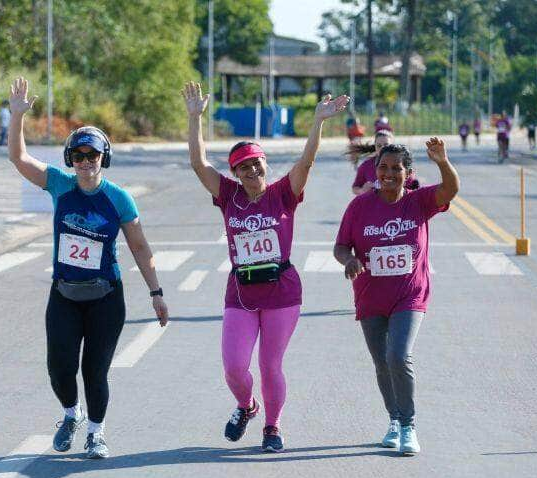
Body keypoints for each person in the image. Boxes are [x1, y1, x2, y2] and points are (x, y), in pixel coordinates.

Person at [182, 81, 349, 453]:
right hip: (241, 292)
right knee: (234, 367)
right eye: (243, 167)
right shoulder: (228, 196)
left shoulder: (282, 194)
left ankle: (272, 427)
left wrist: (317, 122)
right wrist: (195, 119)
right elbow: (198, 164)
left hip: (282, 292)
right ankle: (247, 406)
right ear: (236, 173)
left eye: (256, 162)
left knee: (270, 365)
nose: (251, 170)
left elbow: (306, 162)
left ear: (264, 163)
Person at [7, 77, 169, 458]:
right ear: (70, 160)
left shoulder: (118, 198)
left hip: (105, 297)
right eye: (78, 156)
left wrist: (156, 293)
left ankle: (97, 432)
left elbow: (141, 247)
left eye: (91, 156)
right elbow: (19, 159)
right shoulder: (61, 185)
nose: (84, 163)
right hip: (64, 293)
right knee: (59, 369)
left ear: (103, 158)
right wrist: (16, 117)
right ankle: (71, 413)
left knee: (95, 372)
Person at [333, 137, 459, 456]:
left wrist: (442, 162)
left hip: (409, 295)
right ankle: (393, 419)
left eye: (396, 168)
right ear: (375, 171)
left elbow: (450, 190)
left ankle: (408, 425)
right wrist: (349, 260)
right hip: (370, 296)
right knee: (381, 364)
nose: (389, 173)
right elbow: (340, 246)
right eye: (383, 167)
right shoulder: (360, 206)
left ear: (408, 172)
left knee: (398, 356)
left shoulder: (419, 202)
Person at [348, 130, 419, 194]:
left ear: (392, 145)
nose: (382, 149)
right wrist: (362, 191)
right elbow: (355, 187)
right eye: (379, 146)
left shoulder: (401, 164)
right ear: (375, 146)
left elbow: (414, 188)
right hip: (375, 206)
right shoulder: (366, 166)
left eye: (386, 145)